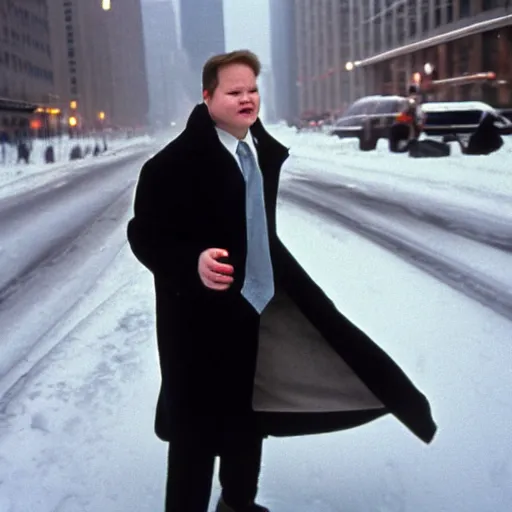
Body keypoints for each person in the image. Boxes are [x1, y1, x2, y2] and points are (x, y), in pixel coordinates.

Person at [127, 50, 437, 512]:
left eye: (252, 89)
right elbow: (144, 234)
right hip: (195, 322)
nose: (247, 99)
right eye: (234, 92)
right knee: (194, 432)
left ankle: (238, 502)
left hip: (253, 310)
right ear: (207, 96)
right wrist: (189, 263)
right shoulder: (170, 166)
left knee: (247, 416)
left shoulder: (258, 149)